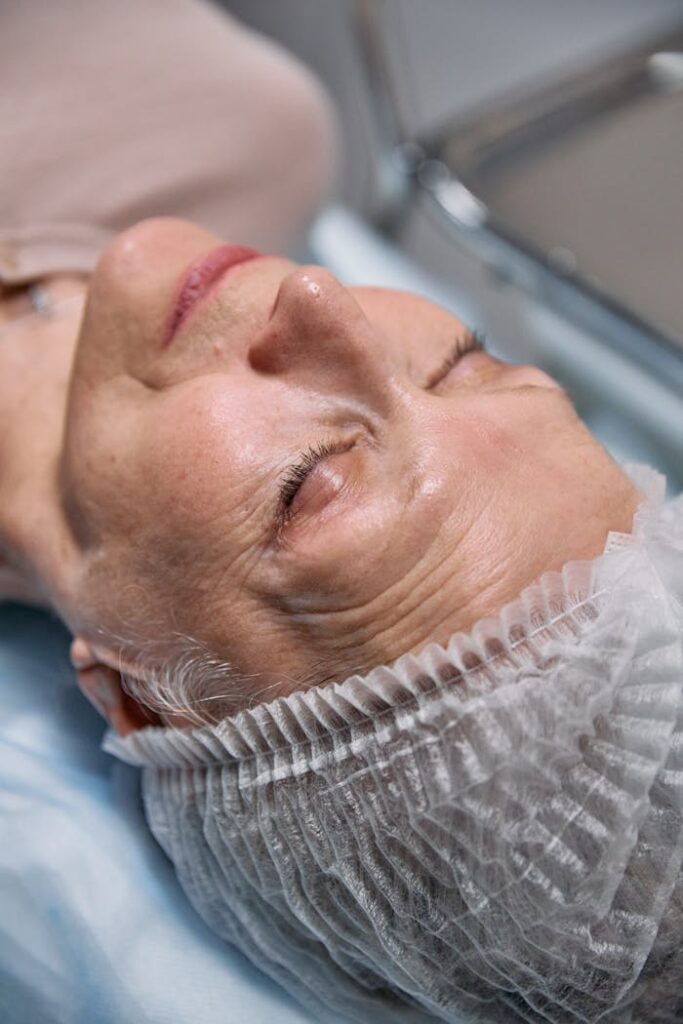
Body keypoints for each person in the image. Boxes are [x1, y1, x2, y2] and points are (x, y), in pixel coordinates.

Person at [2, 3, 682, 1023]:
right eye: (465, 363)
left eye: (307, 482)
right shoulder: (247, 137)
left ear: (138, 701)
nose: (324, 300)